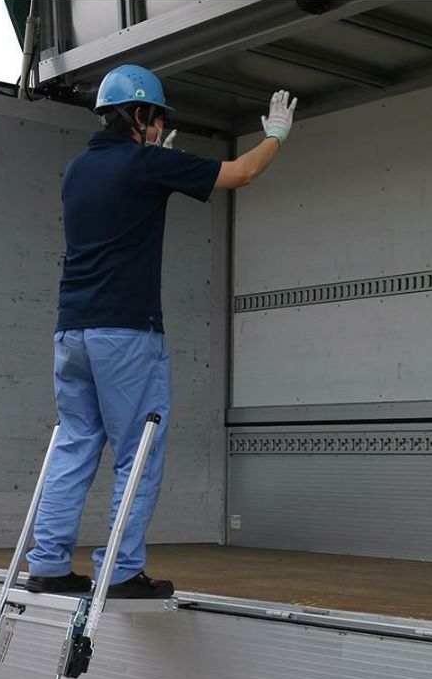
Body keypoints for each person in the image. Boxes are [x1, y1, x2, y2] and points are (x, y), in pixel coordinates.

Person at [26, 64, 297, 598]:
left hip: (71, 332)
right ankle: (121, 570)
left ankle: (48, 563)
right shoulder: (146, 164)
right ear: (139, 114)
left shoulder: (78, 170)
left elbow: (125, 197)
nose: (159, 128)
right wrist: (276, 136)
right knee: (139, 451)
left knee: (75, 445)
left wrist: (158, 164)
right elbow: (241, 173)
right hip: (126, 333)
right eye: (156, 119)